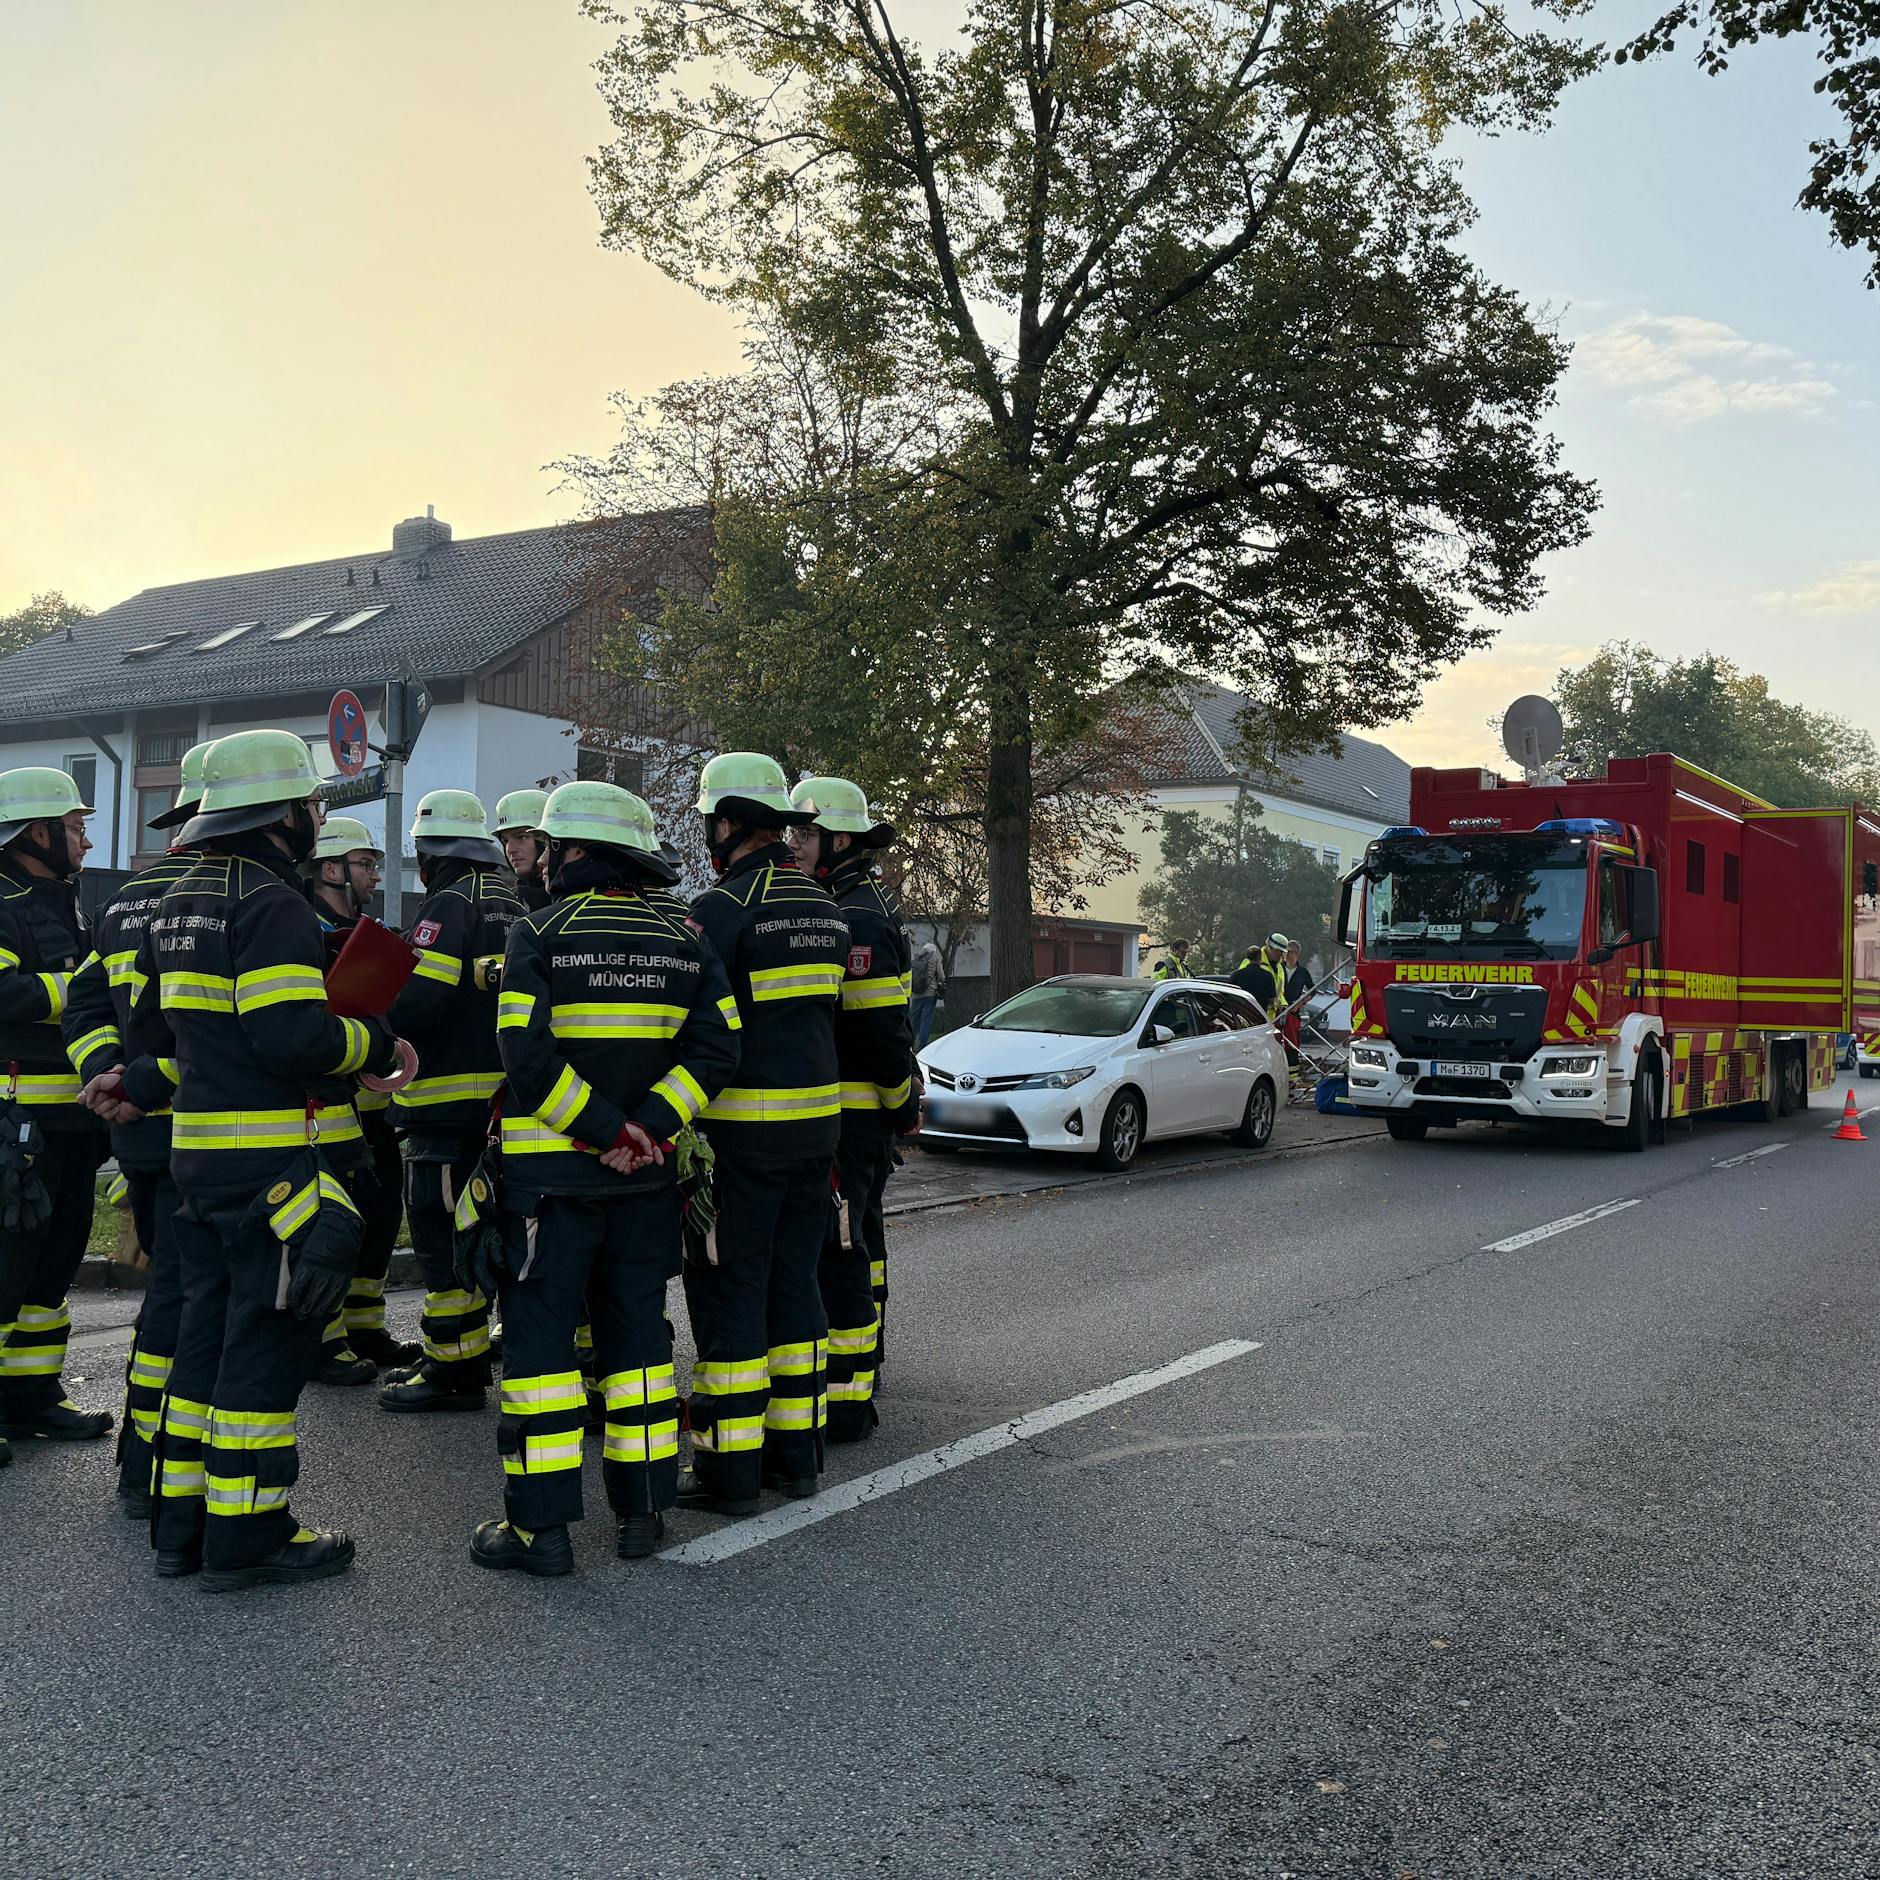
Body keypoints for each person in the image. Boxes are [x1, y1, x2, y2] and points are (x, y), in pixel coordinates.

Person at [127, 729, 412, 1589]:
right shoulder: (270, 902)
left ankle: (182, 1526)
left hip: (198, 1162)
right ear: (282, 814)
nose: (317, 817)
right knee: (267, 1340)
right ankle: (248, 1533)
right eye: (311, 804)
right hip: (269, 1164)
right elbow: (290, 1035)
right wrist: (372, 1040)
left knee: (204, 1342)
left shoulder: (179, 897)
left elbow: (178, 1034)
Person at [471, 781, 739, 1576]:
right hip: (643, 1188)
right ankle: (643, 1516)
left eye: (548, 849)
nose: (543, 861)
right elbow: (720, 1051)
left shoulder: (537, 934)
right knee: (640, 1349)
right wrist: (645, 1130)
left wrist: (599, 1133)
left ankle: (541, 1535)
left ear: (572, 852)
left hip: (547, 1192)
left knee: (543, 1360)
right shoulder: (685, 938)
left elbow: (524, 1055)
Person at [682, 752, 847, 1515]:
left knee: (730, 1294)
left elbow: (697, 1032)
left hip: (740, 1140)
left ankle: (731, 1472)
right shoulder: (824, 908)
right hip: (817, 1134)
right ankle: (798, 1455)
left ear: (726, 824)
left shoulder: (718, 913)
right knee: (795, 1288)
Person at [62, 740, 211, 1508]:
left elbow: (87, 1006)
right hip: (214, 1136)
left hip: (145, 1136)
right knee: (201, 1303)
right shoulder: (231, 896)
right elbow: (229, 1038)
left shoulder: (124, 901)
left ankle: (142, 1458)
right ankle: (179, 1471)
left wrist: (106, 1077)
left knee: (169, 1299)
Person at [378, 791, 524, 1415]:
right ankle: (477, 1348)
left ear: (430, 853)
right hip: (500, 1102)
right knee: (491, 1228)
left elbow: (422, 999)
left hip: (443, 1107)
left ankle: (453, 1368)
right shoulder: (512, 900)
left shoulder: (449, 902)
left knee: (443, 1237)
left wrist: (371, 1020)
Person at [787, 777, 918, 1441]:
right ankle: (862, 1366)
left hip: (852, 1117)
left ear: (838, 841)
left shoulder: (858, 915)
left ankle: (847, 1397)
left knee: (843, 1251)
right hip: (854, 1116)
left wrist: (902, 1101)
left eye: (805, 833)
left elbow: (880, 1032)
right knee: (857, 1245)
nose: (793, 843)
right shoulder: (850, 903)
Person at [0, 766, 108, 1455]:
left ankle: (31, 1396)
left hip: (70, 1120)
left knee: (54, 1263)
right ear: (36, 832)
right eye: (75, 827)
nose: (86, 842)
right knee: (7, 1265)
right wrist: (82, 989)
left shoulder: (63, 897)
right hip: (15, 1125)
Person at [300, 815, 417, 1377]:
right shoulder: (303, 929)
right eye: (365, 864)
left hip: (373, 1108)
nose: (374, 873)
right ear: (330, 868)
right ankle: (324, 1340)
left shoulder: (367, 930)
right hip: (326, 1107)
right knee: (335, 1222)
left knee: (378, 1214)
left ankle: (366, 1326)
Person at [492, 788, 551, 913]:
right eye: (505, 841)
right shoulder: (504, 905)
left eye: (521, 837)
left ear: (545, 841)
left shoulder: (574, 899)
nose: (510, 849)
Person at [908, 935, 946, 1048]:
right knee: (926, 1020)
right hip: (929, 993)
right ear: (933, 951)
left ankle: (910, 1045)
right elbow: (941, 976)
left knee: (913, 1020)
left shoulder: (916, 959)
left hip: (915, 994)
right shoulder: (934, 958)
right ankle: (922, 1046)